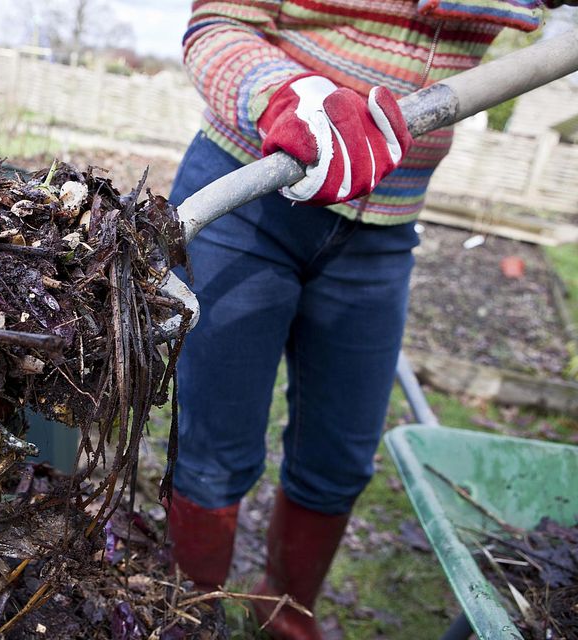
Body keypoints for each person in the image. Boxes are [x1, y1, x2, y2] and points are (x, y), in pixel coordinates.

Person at [166, 1, 572, 638]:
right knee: (213, 449)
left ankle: (286, 613)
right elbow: (218, 22)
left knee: (340, 458)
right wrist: (283, 93)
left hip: (383, 228)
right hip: (249, 193)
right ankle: (191, 615)